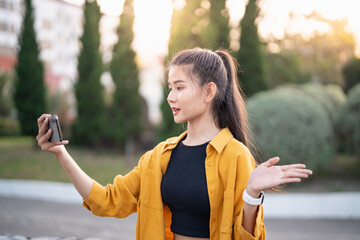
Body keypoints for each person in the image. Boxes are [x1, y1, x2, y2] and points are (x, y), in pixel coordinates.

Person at [36, 48, 312, 240]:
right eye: (170, 87)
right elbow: (106, 201)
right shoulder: (159, 157)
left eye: (179, 87)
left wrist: (252, 194)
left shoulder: (235, 155)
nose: (170, 97)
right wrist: (61, 153)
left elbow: (246, 237)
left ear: (208, 92)